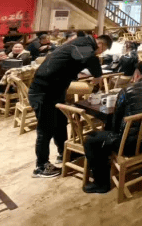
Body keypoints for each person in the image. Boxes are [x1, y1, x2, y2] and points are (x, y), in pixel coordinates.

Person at [28, 34, 111, 178]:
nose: (99, 53)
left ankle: (64, 153)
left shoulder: (80, 45)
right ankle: (40, 166)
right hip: (43, 91)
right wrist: (98, 76)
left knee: (60, 123)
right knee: (45, 129)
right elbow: (91, 59)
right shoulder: (84, 45)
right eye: (101, 51)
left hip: (55, 90)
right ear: (101, 45)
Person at [83, 61, 142, 193]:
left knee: (90, 140)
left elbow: (116, 120)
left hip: (130, 146)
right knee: (103, 135)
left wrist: (109, 131)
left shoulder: (127, 90)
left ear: (137, 73)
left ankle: (101, 184)